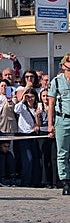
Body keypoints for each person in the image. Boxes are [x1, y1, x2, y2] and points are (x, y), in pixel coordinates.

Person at [46, 53, 70, 195]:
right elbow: (51, 104)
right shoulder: (56, 81)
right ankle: (65, 181)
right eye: (68, 70)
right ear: (63, 68)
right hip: (62, 119)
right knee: (62, 152)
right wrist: (50, 124)